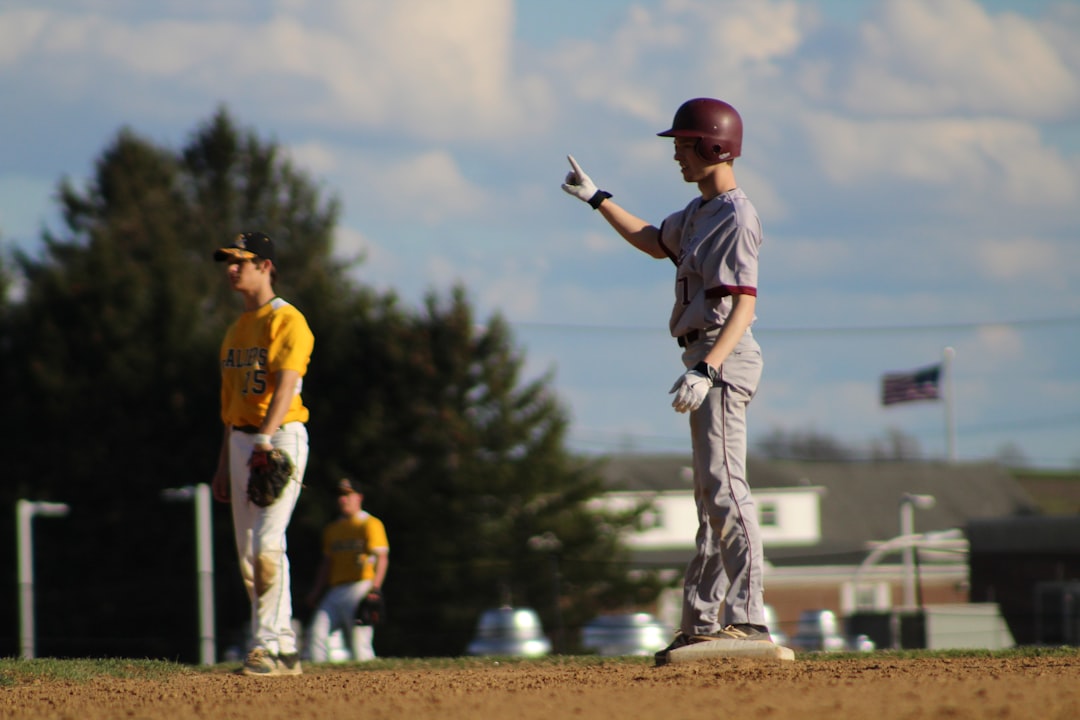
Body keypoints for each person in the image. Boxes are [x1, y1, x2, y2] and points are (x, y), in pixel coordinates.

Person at [561, 98, 771, 666]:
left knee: (726, 487)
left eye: (684, 143)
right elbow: (655, 241)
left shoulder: (734, 215)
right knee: (709, 494)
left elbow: (744, 308)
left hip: (721, 354)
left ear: (715, 146)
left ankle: (750, 619)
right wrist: (598, 198)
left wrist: (707, 368)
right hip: (702, 354)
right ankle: (702, 624)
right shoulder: (700, 210)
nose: (677, 153)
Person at [210, 231, 315, 677]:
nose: (233, 268)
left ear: (266, 266)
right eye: (229, 261)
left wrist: (265, 441)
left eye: (242, 261)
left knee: (267, 545)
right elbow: (232, 407)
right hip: (241, 442)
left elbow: (287, 383)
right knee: (249, 553)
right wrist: (222, 464)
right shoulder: (236, 330)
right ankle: (286, 646)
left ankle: (265, 646)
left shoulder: (287, 320)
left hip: (278, 439)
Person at [306, 478, 390, 662]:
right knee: (316, 634)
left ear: (359, 497)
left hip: (360, 587)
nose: (343, 499)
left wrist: (375, 588)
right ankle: (315, 682)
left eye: (347, 494)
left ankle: (374, 685)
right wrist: (316, 591)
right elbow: (326, 564)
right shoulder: (332, 529)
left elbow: (381, 557)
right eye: (340, 495)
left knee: (360, 643)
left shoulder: (369, 524)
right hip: (336, 590)